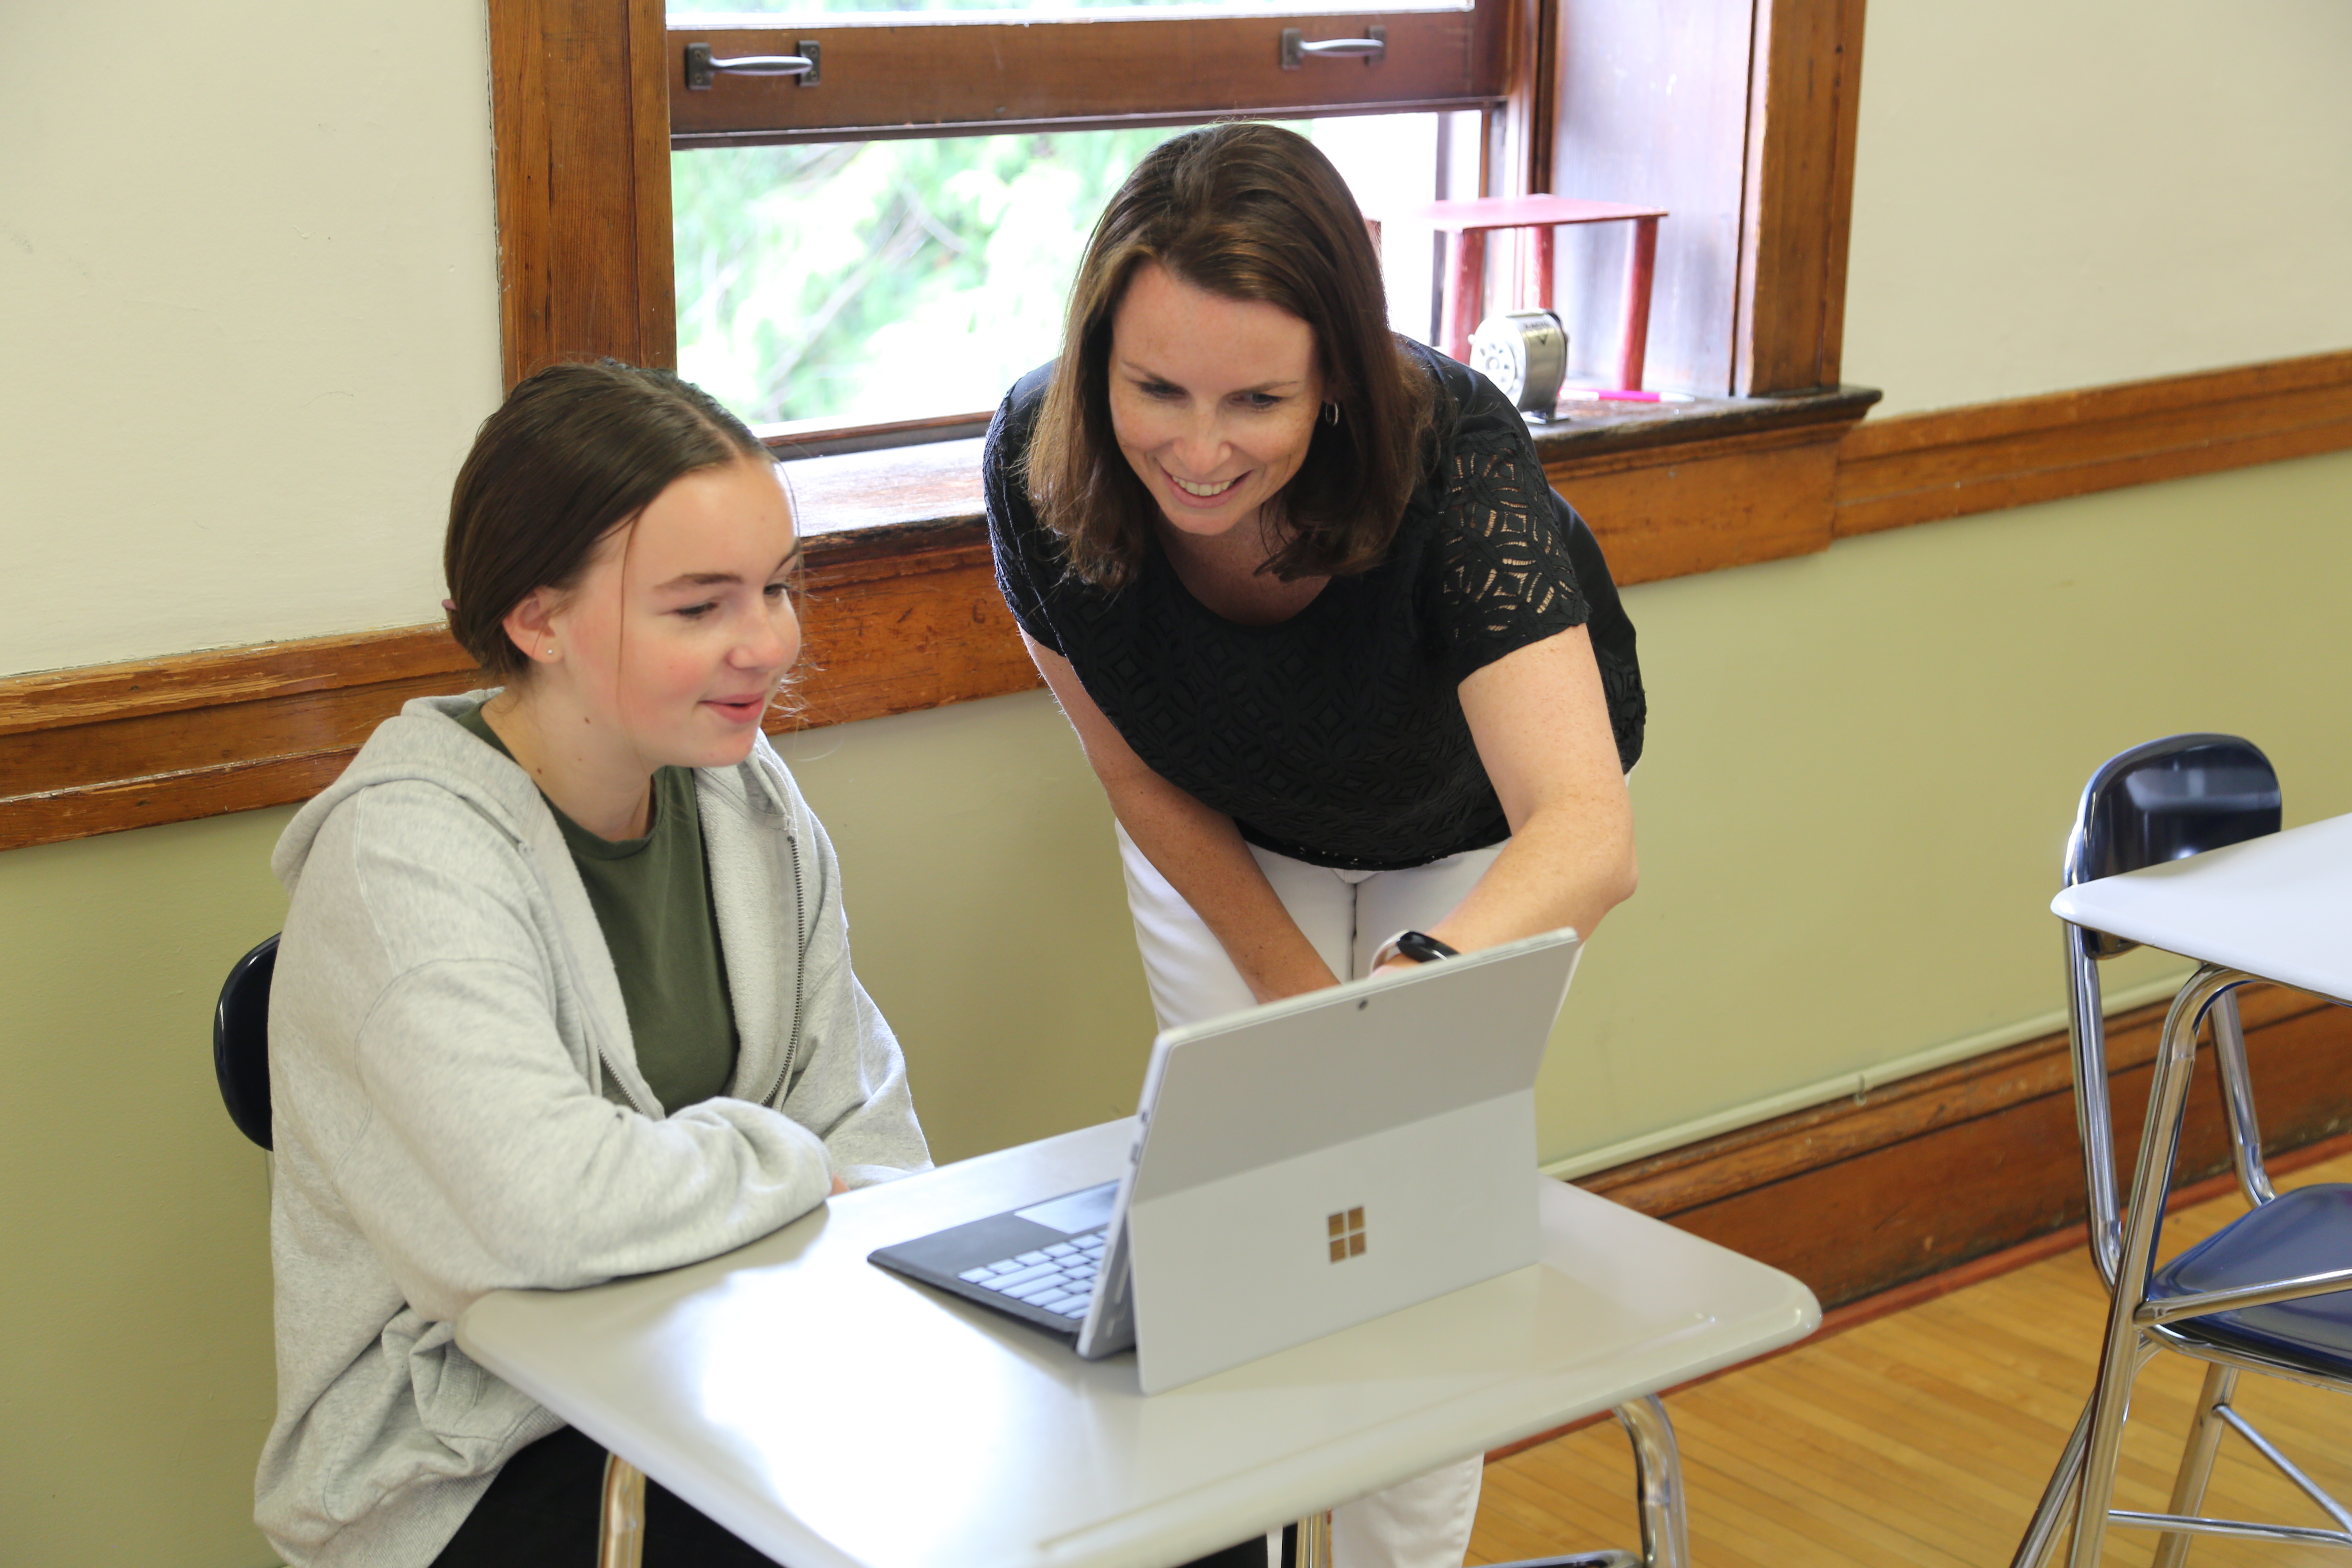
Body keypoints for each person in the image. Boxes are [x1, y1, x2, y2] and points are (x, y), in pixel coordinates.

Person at [984, 124, 1644, 1568]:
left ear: (1337, 375)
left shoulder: (1453, 451)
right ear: (1097, 358)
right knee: (1243, 1240)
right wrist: (1288, 984)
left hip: (1464, 837)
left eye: (1258, 401)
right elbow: (1135, 769)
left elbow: (1587, 834)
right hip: (1227, 823)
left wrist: (1404, 1003)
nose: (1200, 449)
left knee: (1408, 1245)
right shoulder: (1041, 462)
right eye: (1155, 387)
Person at [255, 362, 930, 1568]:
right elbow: (547, 1212)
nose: (768, 641)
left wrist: (815, 1188)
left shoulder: (747, 799)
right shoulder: (400, 863)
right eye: (699, 606)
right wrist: (788, 1168)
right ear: (537, 619)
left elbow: (873, 1142)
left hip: (733, 1367)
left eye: (777, 586)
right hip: (476, 1453)